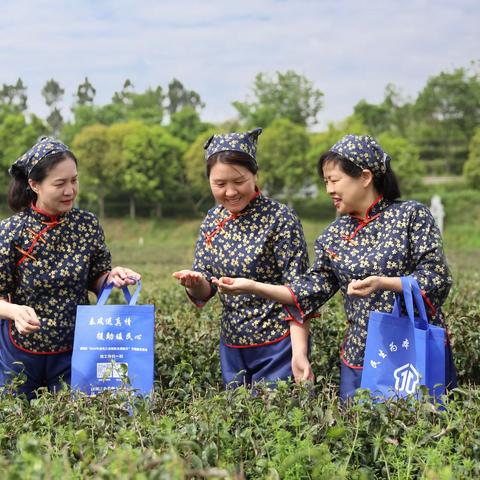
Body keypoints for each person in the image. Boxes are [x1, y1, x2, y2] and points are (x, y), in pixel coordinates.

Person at [214, 134, 457, 401]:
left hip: (413, 348)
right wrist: (253, 287)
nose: (329, 189)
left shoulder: (412, 216)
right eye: (325, 182)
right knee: (359, 432)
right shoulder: (334, 235)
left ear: (365, 177)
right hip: (359, 356)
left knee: (423, 428)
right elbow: (307, 291)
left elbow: (437, 277)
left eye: (334, 180)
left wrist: (385, 283)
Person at [173, 128, 315, 388]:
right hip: (233, 346)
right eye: (219, 184)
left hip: (278, 345)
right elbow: (206, 287)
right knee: (239, 422)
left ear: (254, 175)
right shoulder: (213, 220)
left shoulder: (280, 219)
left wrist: (299, 353)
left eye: (238, 182)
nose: (230, 192)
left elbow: (299, 293)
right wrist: (195, 283)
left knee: (276, 420)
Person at [0, 137, 141, 398]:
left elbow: (97, 278)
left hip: (76, 347)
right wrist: (14, 311)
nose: (70, 190)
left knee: (72, 425)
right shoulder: (12, 231)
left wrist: (113, 277)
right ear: (34, 185)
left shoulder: (86, 225)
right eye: (60, 183)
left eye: (74, 180)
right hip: (20, 353)